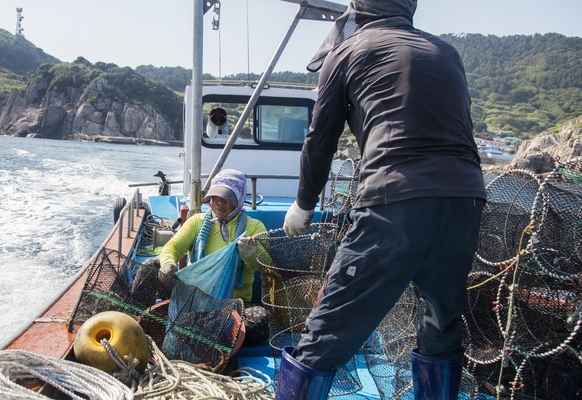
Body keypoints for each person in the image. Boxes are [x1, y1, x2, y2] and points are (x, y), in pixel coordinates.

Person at [277, 1, 487, 399]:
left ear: (360, 10)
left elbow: (320, 140)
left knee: (329, 327)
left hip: (394, 202)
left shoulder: (347, 51)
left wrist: (304, 204)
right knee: (441, 325)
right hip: (465, 199)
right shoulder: (447, 53)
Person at [159, 169, 270, 344]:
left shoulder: (255, 227)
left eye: (226, 198)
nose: (219, 203)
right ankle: (211, 331)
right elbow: (172, 247)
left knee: (260, 321)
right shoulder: (196, 222)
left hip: (233, 305)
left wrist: (250, 255)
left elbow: (266, 266)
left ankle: (194, 328)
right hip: (193, 298)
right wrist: (167, 264)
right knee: (151, 265)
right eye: (215, 197)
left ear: (239, 199)